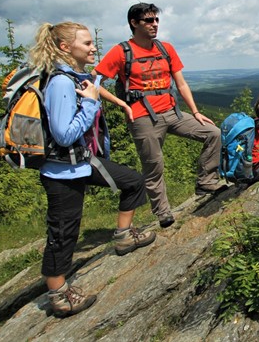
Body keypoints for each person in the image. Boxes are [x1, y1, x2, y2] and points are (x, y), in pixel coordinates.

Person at [30, 22, 156, 318]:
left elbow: (92, 91)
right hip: (62, 171)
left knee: (134, 181)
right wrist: (89, 105)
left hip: (82, 163)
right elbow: (63, 135)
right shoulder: (61, 82)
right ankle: (58, 295)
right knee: (63, 233)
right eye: (86, 43)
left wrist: (107, 99)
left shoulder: (75, 76)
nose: (93, 47)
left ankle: (124, 237)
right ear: (65, 47)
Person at [94, 3, 224, 229]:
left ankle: (206, 182)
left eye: (156, 20)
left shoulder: (166, 49)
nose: (154, 25)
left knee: (213, 133)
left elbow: (181, 83)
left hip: (172, 112)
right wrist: (122, 104)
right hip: (143, 118)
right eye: (148, 20)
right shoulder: (122, 51)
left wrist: (195, 112)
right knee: (154, 165)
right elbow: (94, 81)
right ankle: (163, 213)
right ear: (134, 23)